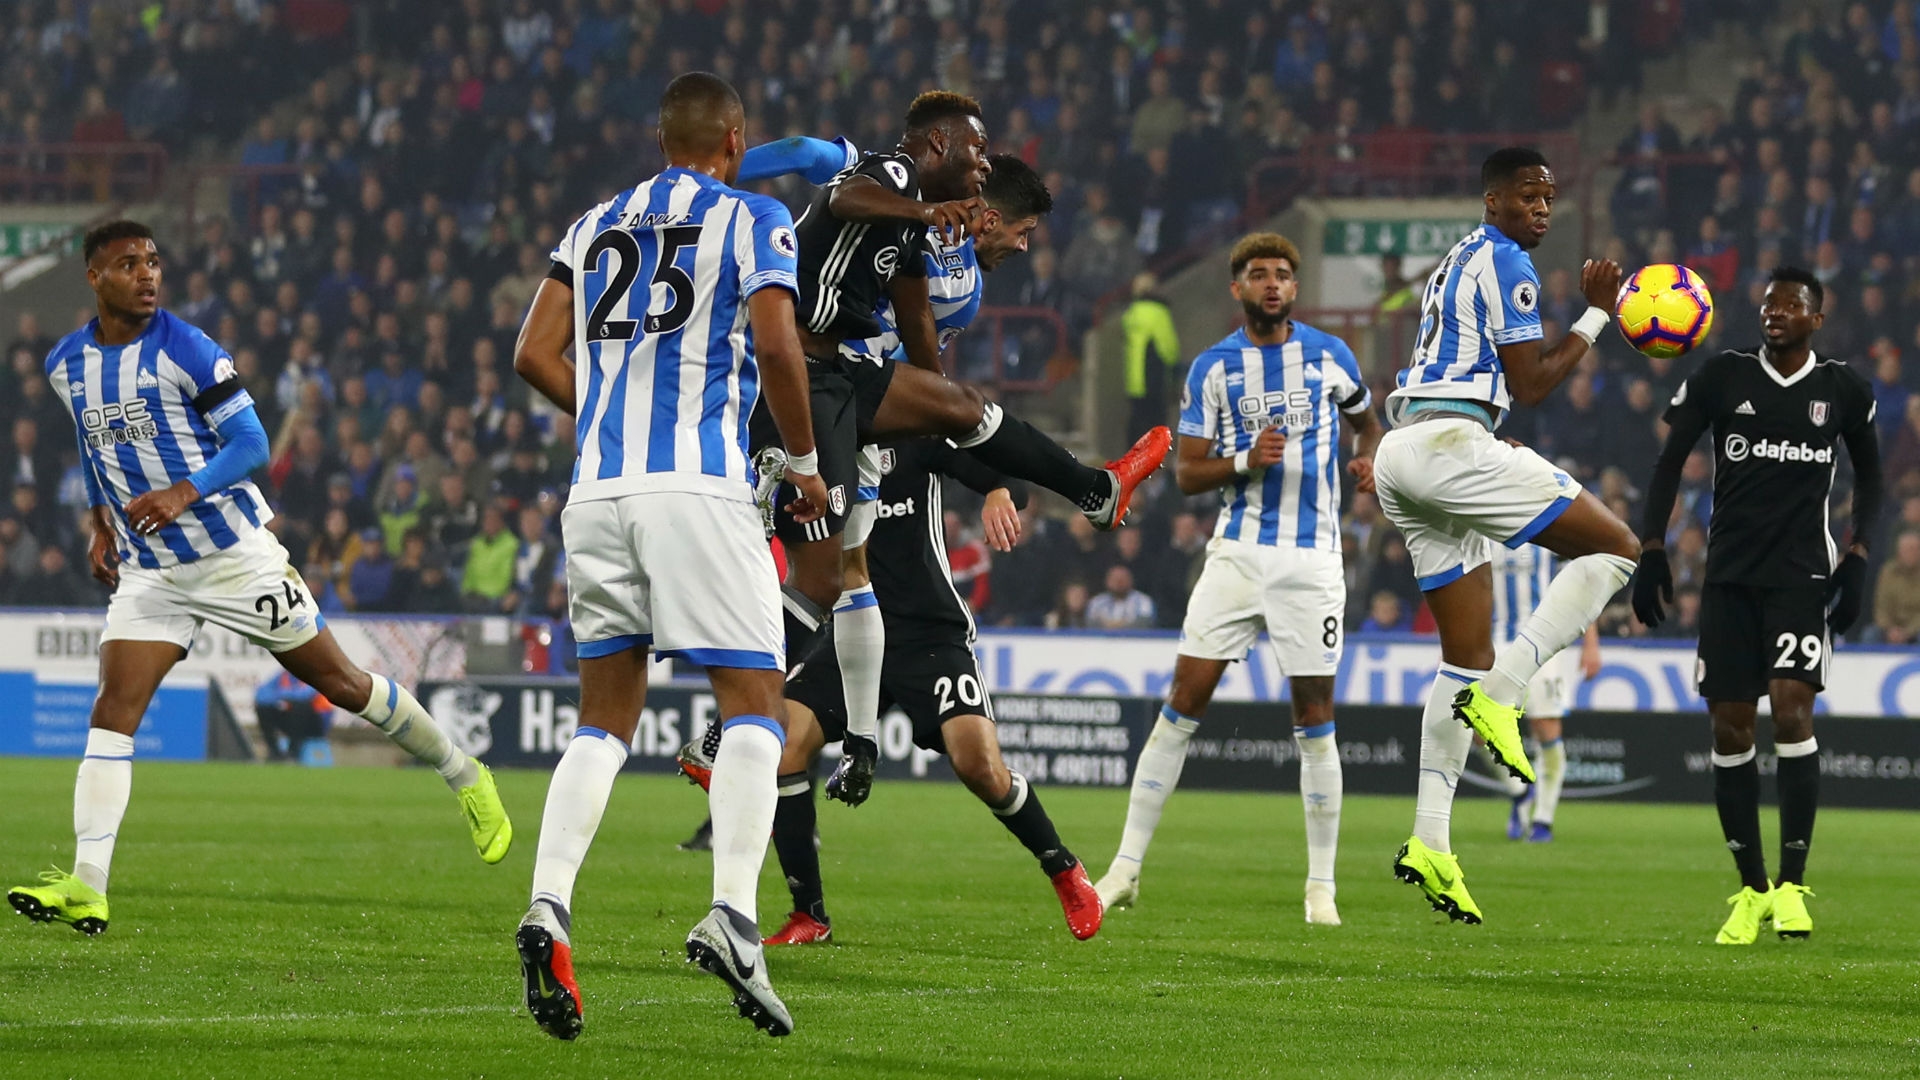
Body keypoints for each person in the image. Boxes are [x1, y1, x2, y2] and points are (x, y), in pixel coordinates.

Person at [7, 221, 511, 940]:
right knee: (112, 712)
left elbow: (253, 445)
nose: (147, 274)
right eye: (128, 264)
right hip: (153, 571)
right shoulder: (67, 364)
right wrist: (98, 521)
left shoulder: (188, 349)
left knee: (342, 683)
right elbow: (93, 441)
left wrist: (183, 492)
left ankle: (465, 774)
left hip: (234, 556)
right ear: (94, 277)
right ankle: (88, 885)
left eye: (153, 260)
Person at [508, 72, 827, 1041]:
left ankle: (548, 902)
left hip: (597, 494)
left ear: (664, 138)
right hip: (698, 485)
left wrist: (605, 414)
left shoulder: (595, 222)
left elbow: (532, 351)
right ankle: (734, 915)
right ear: (734, 137)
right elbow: (777, 344)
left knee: (604, 716)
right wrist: (806, 464)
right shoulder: (754, 215)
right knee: (755, 700)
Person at [740, 95, 1170, 811]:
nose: (1024, 249)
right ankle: (753, 718)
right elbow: (822, 170)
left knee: (841, 570)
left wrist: (966, 437)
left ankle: (1096, 491)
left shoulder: (952, 277)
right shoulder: (891, 182)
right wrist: (722, 171)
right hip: (807, 382)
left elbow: (921, 345)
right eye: (1023, 232)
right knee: (828, 574)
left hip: (863, 395)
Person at [1370, 147, 1640, 924]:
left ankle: (1431, 842)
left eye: (1549, 198)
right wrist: (1597, 312)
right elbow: (1534, 381)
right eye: (1528, 196)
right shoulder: (1509, 260)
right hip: (1450, 450)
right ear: (1494, 201)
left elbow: (1485, 383)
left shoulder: (1458, 259)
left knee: (1460, 658)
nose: (1542, 210)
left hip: (1411, 450)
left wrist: (1490, 433)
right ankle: (1508, 691)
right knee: (1618, 547)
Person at [1093, 233, 1382, 927]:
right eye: (1260, 275)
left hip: (1312, 561)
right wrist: (1246, 461)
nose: (1273, 284)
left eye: (1284, 274)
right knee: (1182, 702)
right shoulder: (1214, 369)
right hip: (1238, 555)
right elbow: (1189, 473)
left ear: (1295, 286)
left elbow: (1369, 424)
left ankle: (1321, 888)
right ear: (1237, 288)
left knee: (1314, 717)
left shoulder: (1329, 356)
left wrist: (1370, 460)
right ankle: (1125, 870)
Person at [762, 437, 1102, 946]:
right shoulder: (820, 443)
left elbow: (1010, 472)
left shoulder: (914, 433)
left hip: (930, 635)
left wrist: (999, 493)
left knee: (979, 766)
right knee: (786, 750)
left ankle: (1063, 868)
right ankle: (809, 914)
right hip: (852, 633)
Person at [1633, 266, 1880, 946]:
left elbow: (1873, 476)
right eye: (1769, 303)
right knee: (1731, 729)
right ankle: (1751, 891)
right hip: (1730, 581)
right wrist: (1651, 547)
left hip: (1800, 578)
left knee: (1792, 708)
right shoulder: (1722, 377)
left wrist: (1857, 556)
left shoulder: (1843, 391)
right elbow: (1669, 459)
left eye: (1792, 305)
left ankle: (1795, 887)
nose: (1776, 313)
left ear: (1816, 318)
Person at [1475, 543, 1602, 843]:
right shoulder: (1482, 524)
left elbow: (1578, 586)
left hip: (1545, 643)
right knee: (1479, 727)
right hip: (1496, 643)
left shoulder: (1547, 527)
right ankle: (1520, 792)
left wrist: (1591, 642)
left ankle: (1543, 820)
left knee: (1545, 729)